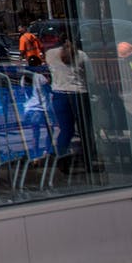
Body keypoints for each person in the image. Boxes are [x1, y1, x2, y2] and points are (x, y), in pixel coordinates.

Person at [45, 28, 92, 174]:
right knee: (85, 130)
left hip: (59, 94)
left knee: (66, 130)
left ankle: (62, 159)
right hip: (79, 93)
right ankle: (88, 160)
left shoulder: (50, 54)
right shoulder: (82, 55)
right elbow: (91, 77)